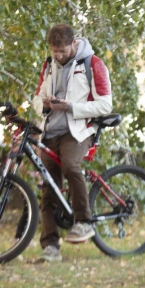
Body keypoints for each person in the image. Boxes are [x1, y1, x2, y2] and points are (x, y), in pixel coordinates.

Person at [32, 24, 113, 262]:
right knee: (48, 187)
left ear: (74, 43)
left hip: (78, 131)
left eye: (63, 51)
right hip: (50, 132)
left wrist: (73, 108)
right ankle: (50, 247)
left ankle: (84, 222)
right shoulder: (48, 66)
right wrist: (44, 105)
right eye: (54, 50)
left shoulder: (93, 64)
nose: (58, 55)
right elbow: (36, 98)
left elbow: (106, 104)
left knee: (70, 165)